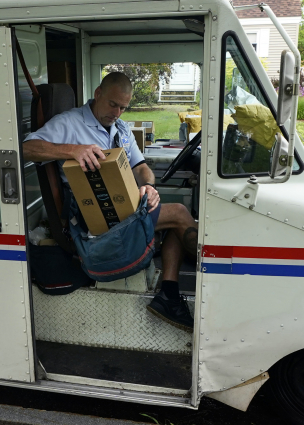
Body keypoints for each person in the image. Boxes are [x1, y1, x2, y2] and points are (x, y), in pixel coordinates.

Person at [22, 72, 199, 331]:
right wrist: (72, 150)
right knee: (181, 213)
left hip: (121, 208)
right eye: (112, 104)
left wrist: (148, 186)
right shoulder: (69, 123)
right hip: (92, 218)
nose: (117, 113)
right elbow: (26, 148)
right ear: (98, 94)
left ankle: (169, 294)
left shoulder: (121, 128)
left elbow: (140, 167)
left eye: (123, 108)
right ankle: (218, 273)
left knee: (171, 216)